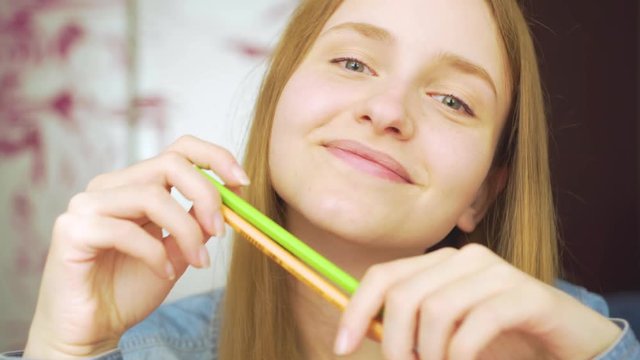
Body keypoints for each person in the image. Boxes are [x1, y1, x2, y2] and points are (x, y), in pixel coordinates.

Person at [4, 0, 639, 359]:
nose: (387, 111)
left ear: (481, 191)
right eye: (354, 61)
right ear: (276, 105)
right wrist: (64, 346)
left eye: (452, 100)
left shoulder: (567, 339)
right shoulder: (145, 351)